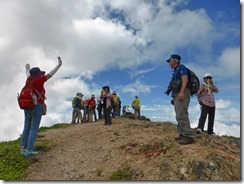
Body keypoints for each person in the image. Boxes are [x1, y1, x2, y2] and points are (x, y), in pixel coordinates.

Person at [20, 56, 62, 156]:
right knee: (34, 128)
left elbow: (28, 74)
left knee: (26, 126)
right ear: (39, 75)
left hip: (27, 106)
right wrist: (59, 65)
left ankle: (23, 148)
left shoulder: (28, 80)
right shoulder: (39, 80)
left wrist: (27, 69)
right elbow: (51, 74)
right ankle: (30, 150)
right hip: (37, 106)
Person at [166, 54, 194, 144]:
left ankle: (188, 136)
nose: (169, 63)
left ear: (174, 61)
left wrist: (181, 92)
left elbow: (185, 80)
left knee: (181, 115)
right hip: (177, 94)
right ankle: (182, 134)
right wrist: (174, 97)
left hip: (183, 92)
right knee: (179, 114)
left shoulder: (182, 68)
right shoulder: (175, 70)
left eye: (169, 61)